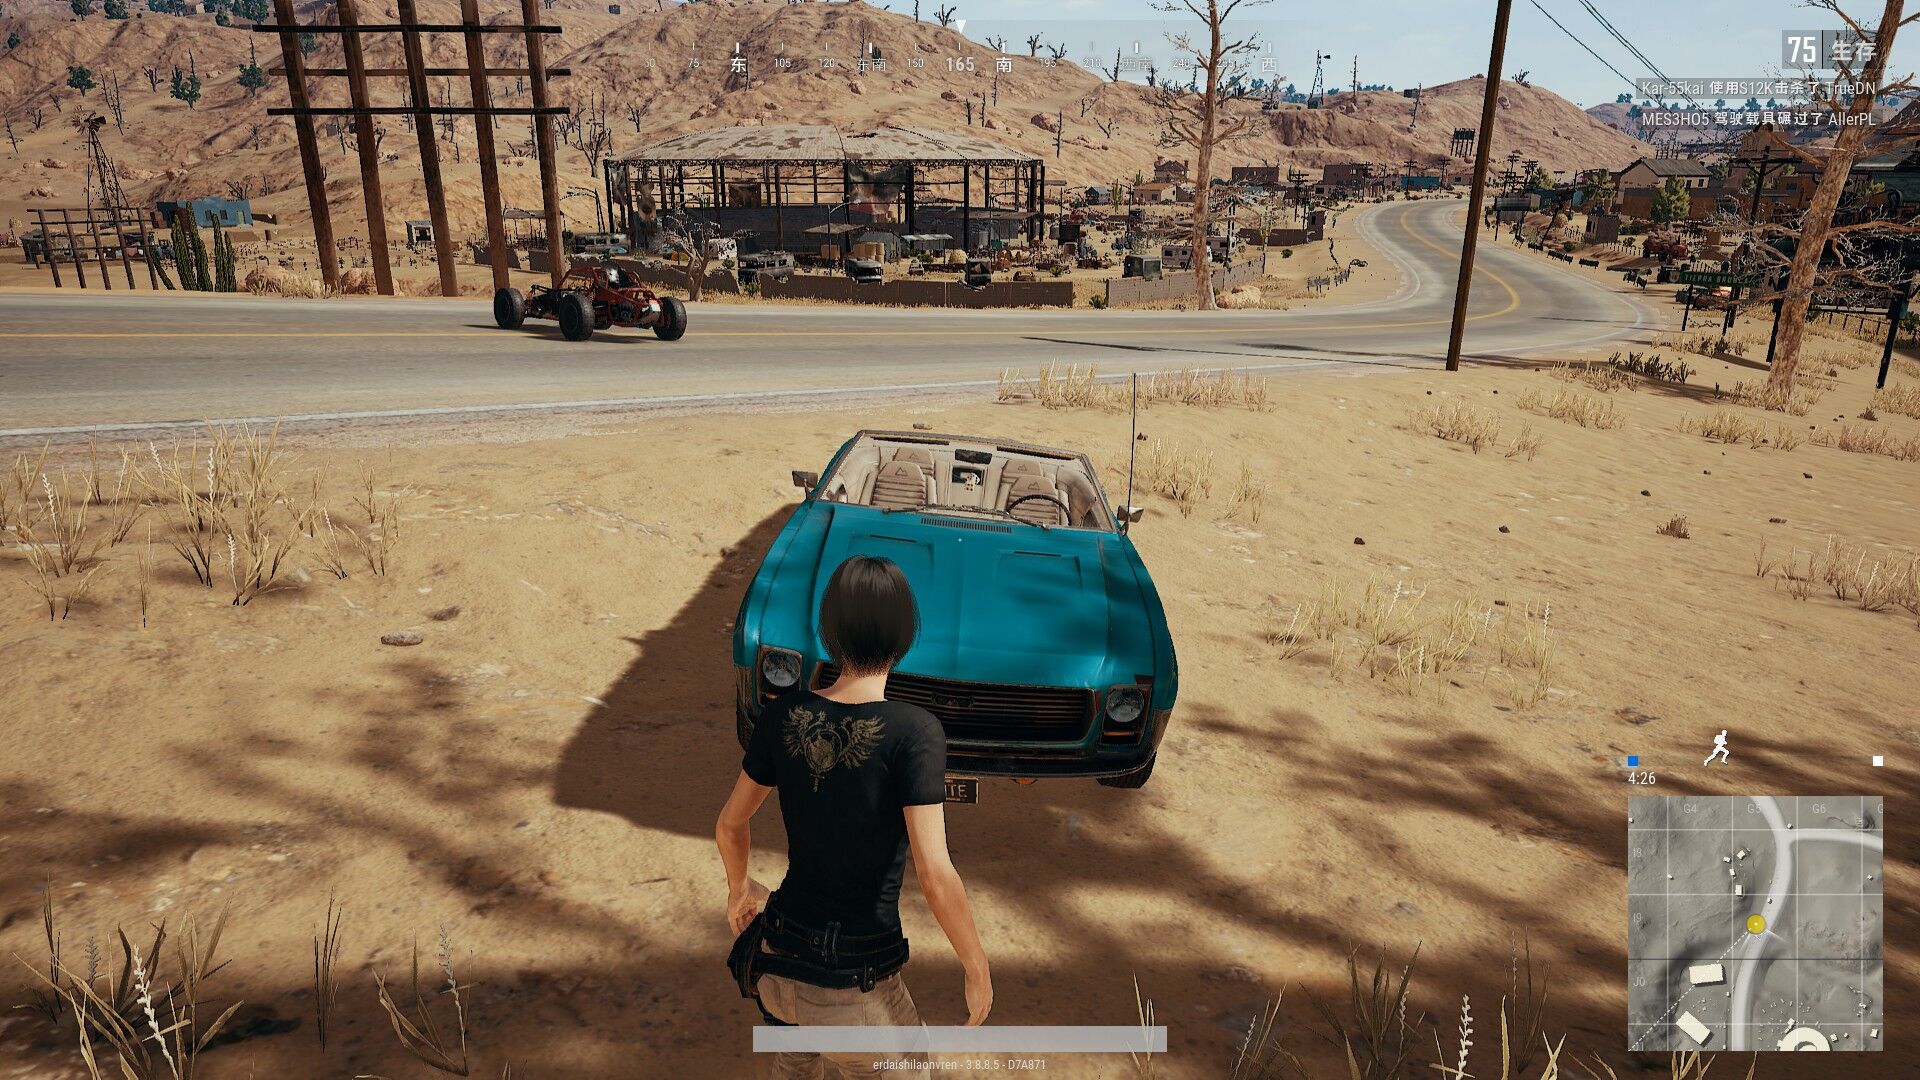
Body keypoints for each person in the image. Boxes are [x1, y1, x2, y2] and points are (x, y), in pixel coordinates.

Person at [717, 555, 992, 1079]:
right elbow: (935, 874)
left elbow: (731, 825)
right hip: (854, 991)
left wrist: (739, 889)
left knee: (795, 1062)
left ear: (831, 631)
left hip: (776, 968)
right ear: (903, 635)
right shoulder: (915, 733)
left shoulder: (783, 715)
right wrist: (975, 965)